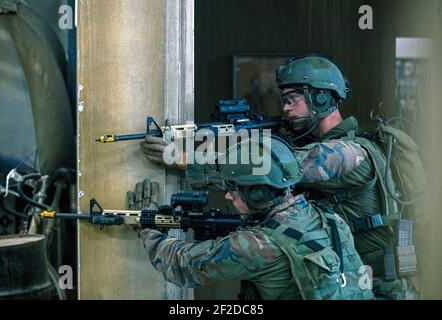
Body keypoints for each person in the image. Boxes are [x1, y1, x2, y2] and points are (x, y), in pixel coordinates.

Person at [140, 55, 416, 299]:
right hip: (348, 279)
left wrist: (185, 157)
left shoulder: (346, 153)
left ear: (321, 98)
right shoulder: (330, 145)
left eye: (291, 99)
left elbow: (267, 168)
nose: (284, 108)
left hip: (380, 286)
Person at [137, 136, 374, 300]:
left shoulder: (258, 246)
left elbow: (184, 264)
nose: (228, 196)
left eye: (233, 188)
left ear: (257, 193)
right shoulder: (329, 218)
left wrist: (146, 226)